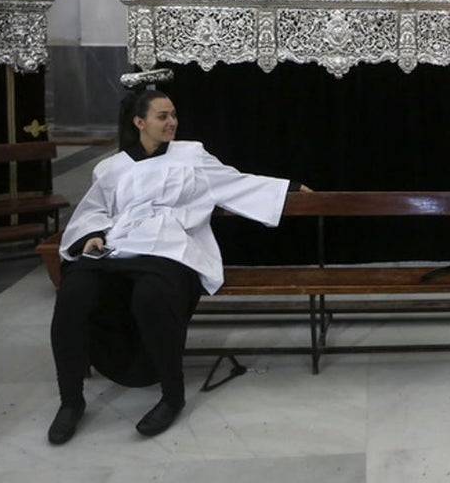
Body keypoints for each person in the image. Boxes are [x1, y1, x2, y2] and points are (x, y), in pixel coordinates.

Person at [47, 90, 308, 444]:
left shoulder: (192, 155)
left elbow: (235, 182)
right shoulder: (110, 168)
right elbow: (94, 209)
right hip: (120, 245)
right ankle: (70, 402)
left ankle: (172, 395)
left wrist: (288, 188)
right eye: (162, 116)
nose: (172, 122)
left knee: (152, 295)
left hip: (172, 245)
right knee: (74, 294)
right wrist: (91, 234)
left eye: (173, 115)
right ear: (139, 122)